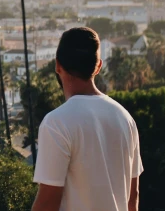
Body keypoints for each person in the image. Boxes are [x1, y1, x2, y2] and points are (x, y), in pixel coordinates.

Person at [31, 27, 142, 211]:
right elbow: (133, 197)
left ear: (58, 65)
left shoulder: (56, 123)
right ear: (98, 66)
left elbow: (48, 202)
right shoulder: (125, 118)